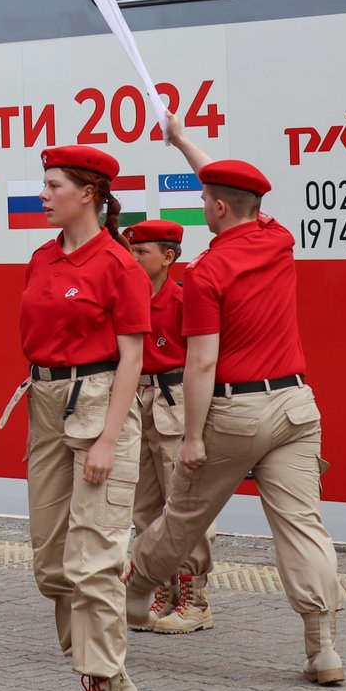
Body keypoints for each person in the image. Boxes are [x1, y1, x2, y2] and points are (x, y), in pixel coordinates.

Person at [124, 118, 345, 685]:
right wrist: (180, 141)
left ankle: (138, 589)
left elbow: (200, 363)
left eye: (204, 198)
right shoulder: (276, 239)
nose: (201, 201)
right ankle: (323, 650)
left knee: (183, 514)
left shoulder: (206, 274)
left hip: (235, 411)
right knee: (302, 527)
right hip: (297, 407)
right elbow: (227, 184)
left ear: (217, 209)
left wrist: (193, 437)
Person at [13, 145, 150, 691]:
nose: (42, 195)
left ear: (87, 194)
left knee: (91, 560)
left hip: (98, 408)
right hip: (45, 407)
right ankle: (114, 674)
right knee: (51, 565)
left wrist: (109, 439)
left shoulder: (119, 264)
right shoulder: (42, 257)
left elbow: (133, 359)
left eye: (52, 185)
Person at [122, 219, 216, 634]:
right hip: (135, 403)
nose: (133, 258)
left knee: (185, 504)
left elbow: (206, 360)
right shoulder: (127, 298)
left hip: (174, 403)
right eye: (131, 251)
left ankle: (195, 598)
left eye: (141, 252)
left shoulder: (182, 301)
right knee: (144, 506)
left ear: (168, 257)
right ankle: (158, 589)